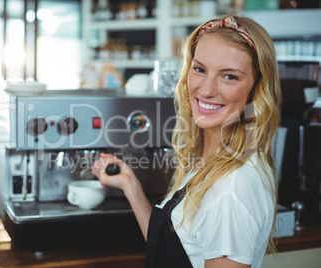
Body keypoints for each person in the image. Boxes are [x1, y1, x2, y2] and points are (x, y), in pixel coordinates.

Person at [92, 15, 281, 268]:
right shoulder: (213, 160)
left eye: (229, 77)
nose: (205, 90)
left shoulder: (232, 188)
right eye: (200, 69)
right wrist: (130, 186)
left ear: (257, 88)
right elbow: (176, 251)